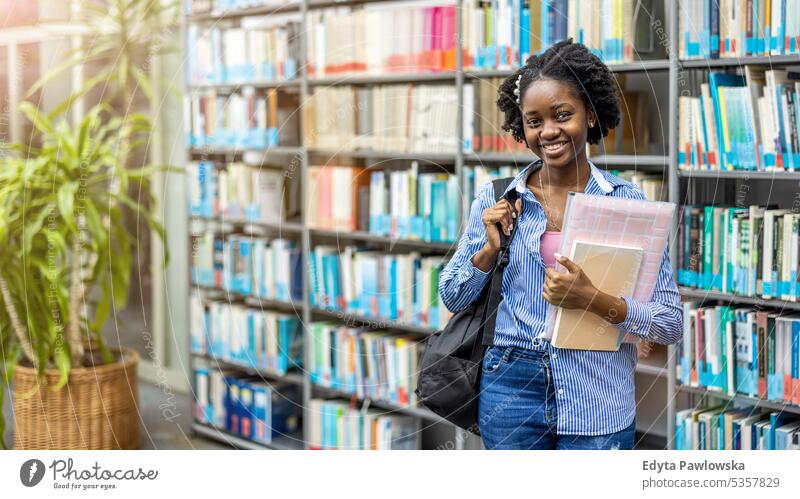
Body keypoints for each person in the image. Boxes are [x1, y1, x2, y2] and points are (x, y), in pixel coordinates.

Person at [438, 39, 682, 450]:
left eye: (562, 115)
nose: (547, 131)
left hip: (597, 391)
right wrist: (487, 252)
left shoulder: (627, 203)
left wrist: (593, 298)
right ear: (522, 127)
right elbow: (452, 295)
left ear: (589, 116)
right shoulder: (498, 199)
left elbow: (669, 321)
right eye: (534, 121)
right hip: (510, 389)